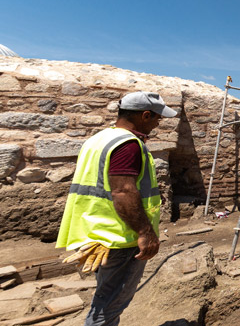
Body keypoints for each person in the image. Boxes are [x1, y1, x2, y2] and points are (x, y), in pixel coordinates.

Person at [56, 91, 177, 326]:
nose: (158, 123)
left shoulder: (100, 139)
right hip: (121, 238)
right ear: (145, 115)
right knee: (108, 308)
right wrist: (145, 232)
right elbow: (123, 191)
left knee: (105, 299)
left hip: (98, 232)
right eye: (157, 118)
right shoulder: (128, 145)